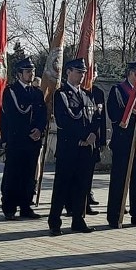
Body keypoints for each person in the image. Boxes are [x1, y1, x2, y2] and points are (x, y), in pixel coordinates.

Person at [47, 58, 98, 235]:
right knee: (62, 185)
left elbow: (95, 118)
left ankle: (78, 219)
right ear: (68, 72)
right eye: (78, 72)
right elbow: (65, 121)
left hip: (86, 149)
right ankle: (54, 221)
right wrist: (83, 137)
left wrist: (92, 135)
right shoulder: (61, 94)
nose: (82, 75)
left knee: (82, 186)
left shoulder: (87, 95)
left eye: (83, 72)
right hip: (69, 148)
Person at [0, 57, 47, 220]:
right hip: (17, 140)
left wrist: (39, 130)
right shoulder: (11, 91)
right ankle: (9, 207)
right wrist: (29, 131)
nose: (31, 74)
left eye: (32, 71)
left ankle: (26, 205)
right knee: (14, 174)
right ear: (19, 74)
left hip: (33, 141)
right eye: (28, 71)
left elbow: (42, 115)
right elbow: (13, 116)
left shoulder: (36, 92)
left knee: (29, 174)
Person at [106, 61, 136, 228]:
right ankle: (115, 215)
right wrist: (131, 117)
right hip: (123, 142)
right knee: (119, 180)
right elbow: (114, 114)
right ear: (132, 73)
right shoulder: (118, 90)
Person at [85, 63, 106, 212]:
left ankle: (88, 192)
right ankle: (80, 198)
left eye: (94, 72)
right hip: (83, 138)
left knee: (90, 168)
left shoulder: (98, 92)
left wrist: (103, 139)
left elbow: (102, 118)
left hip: (95, 138)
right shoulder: (82, 92)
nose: (92, 75)